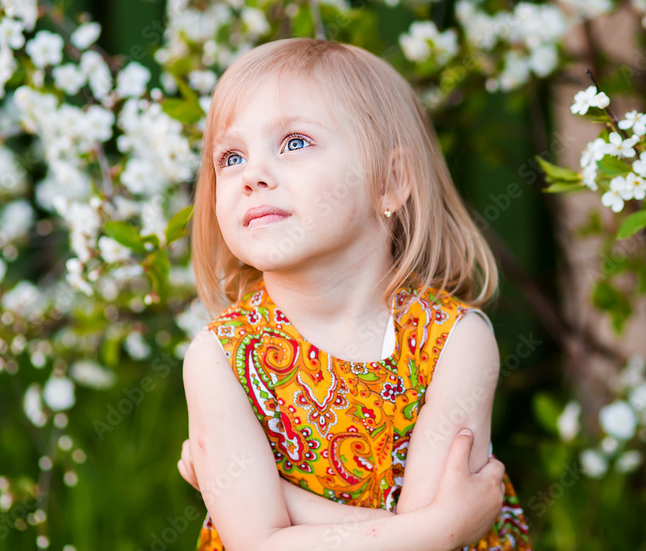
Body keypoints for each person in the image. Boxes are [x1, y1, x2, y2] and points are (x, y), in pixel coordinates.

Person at [178, 37, 533, 550]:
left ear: (390, 181)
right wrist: (444, 526)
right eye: (230, 157)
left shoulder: (454, 341)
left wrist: (275, 498)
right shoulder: (221, 358)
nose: (251, 175)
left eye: (294, 143)